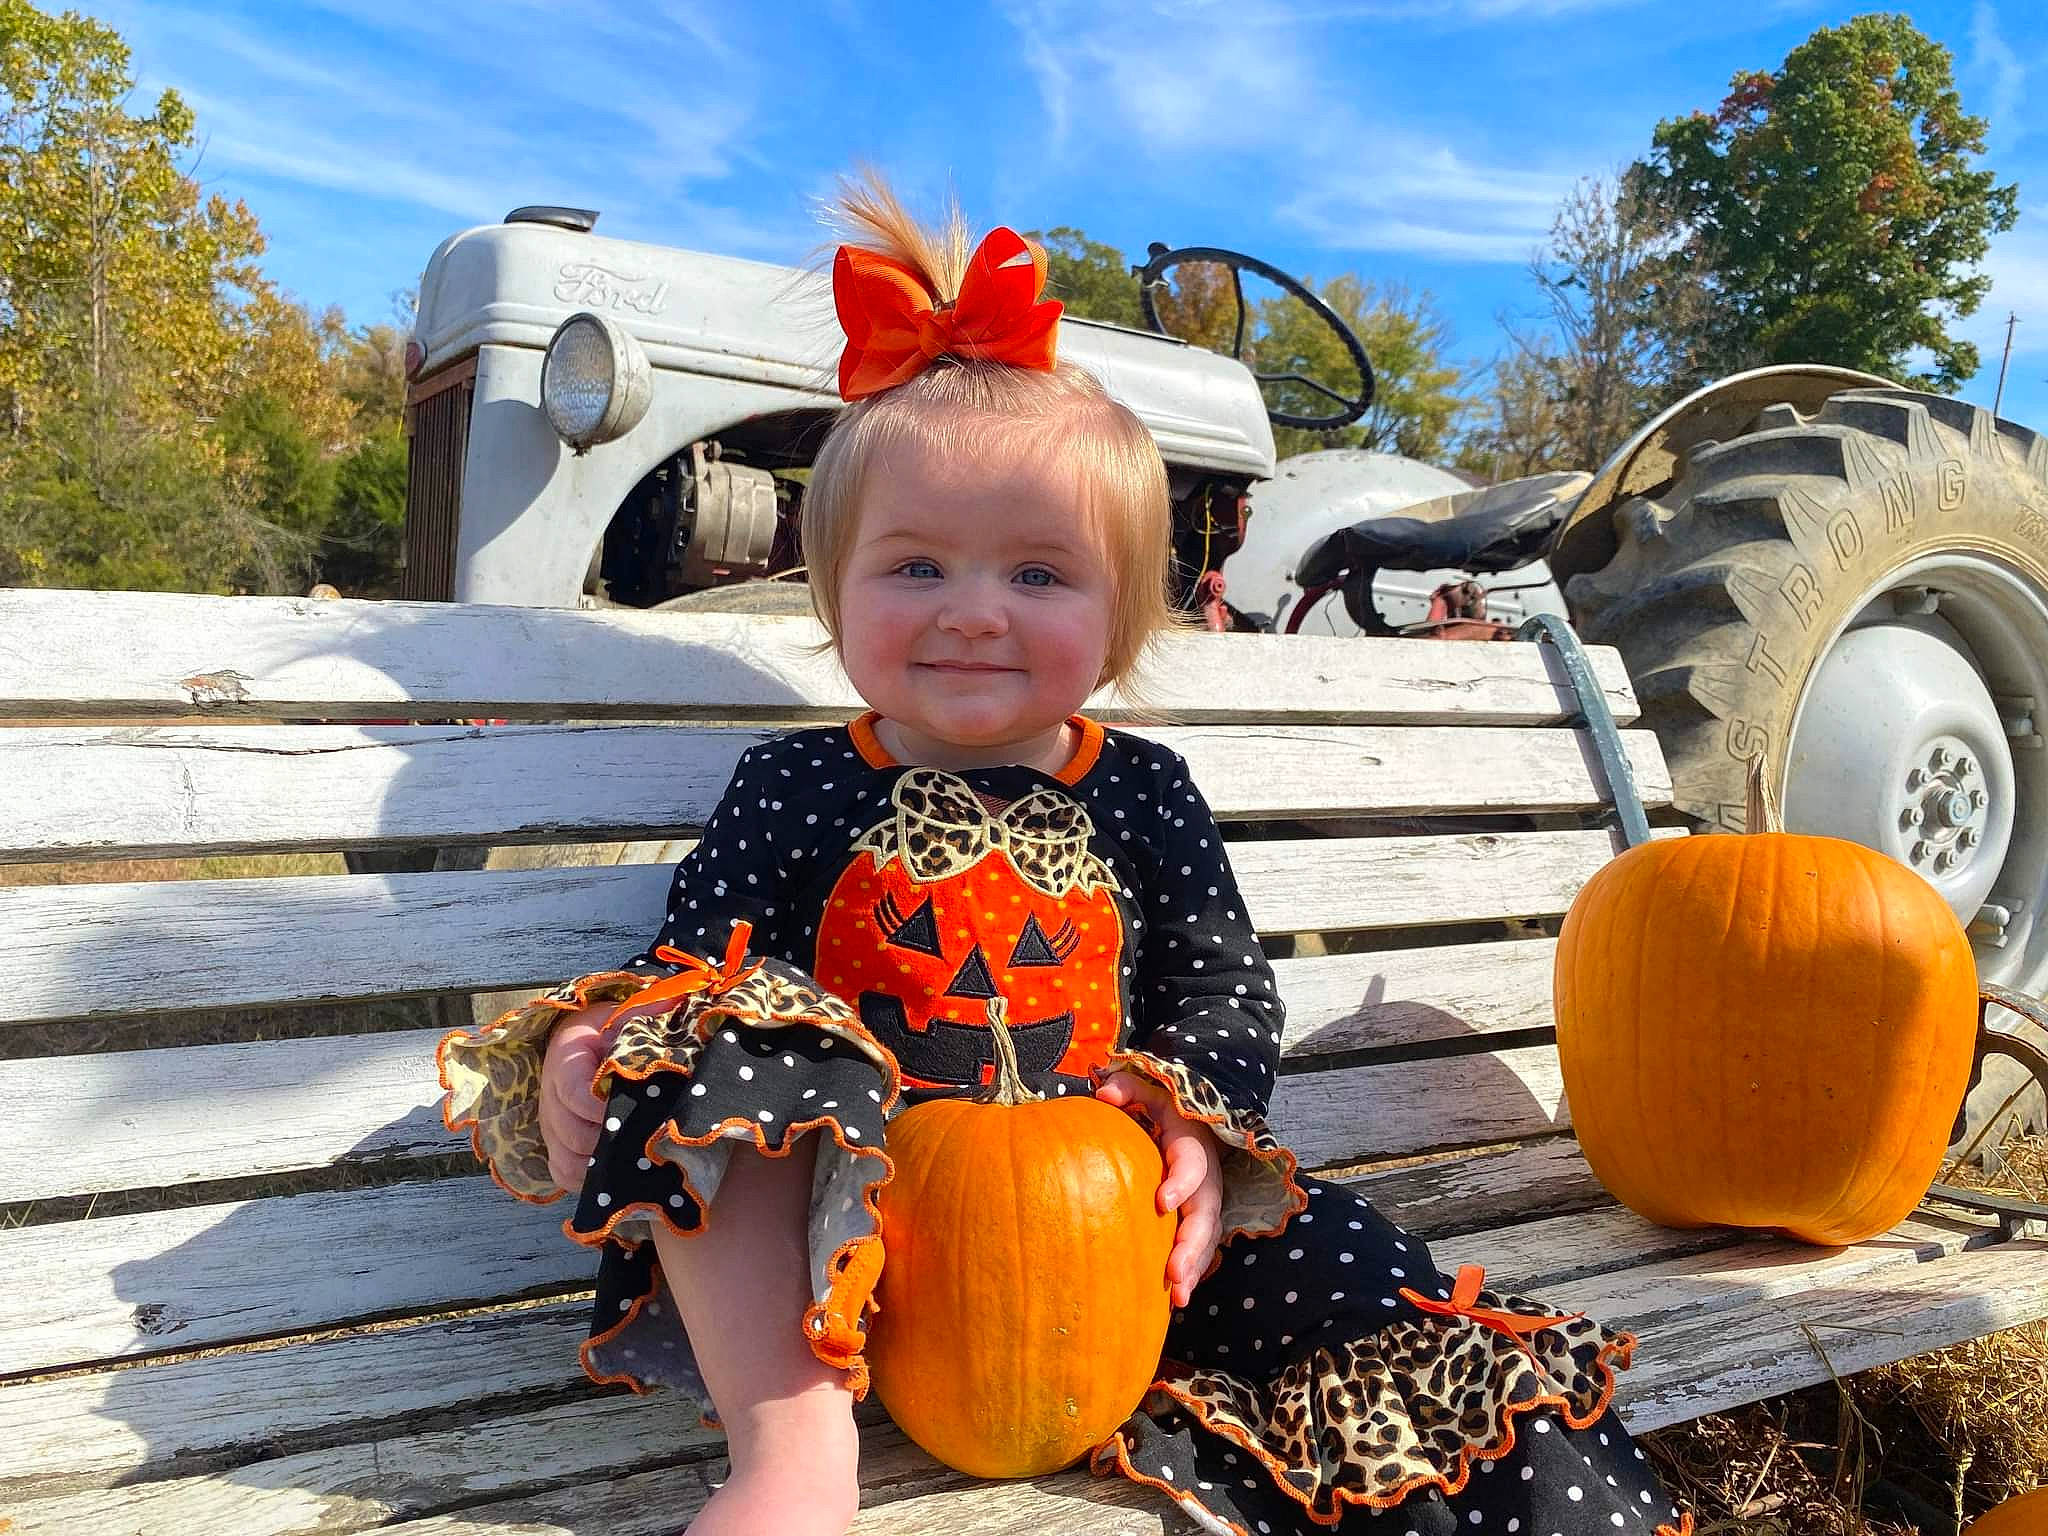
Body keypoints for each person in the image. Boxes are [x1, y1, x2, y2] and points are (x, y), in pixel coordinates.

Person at [439, 175, 1692, 1536]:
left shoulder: (1145, 793)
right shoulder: (796, 785)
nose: (974, 612)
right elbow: (696, 960)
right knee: (724, 1018)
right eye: (917, 567)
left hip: (1107, 1242)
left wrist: (1187, 1115)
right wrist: (605, 1038)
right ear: (833, 588)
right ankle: (791, 1453)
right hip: (843, 1253)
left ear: (1122, 614)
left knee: (1375, 1288)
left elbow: (1225, 991)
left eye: (1037, 575)